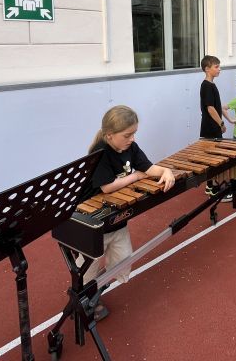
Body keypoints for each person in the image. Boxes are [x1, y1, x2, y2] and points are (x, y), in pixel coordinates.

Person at [80, 105, 176, 320]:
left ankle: (95, 287)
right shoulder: (100, 151)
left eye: (134, 133)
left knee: (122, 264)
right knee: (88, 268)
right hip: (91, 221)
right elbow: (107, 187)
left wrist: (166, 171)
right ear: (109, 135)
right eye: (127, 135)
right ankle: (87, 296)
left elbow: (148, 169)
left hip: (115, 218)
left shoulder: (130, 146)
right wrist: (135, 177)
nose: (132, 139)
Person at [199, 55, 226, 198]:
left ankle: (212, 185)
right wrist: (221, 123)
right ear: (207, 69)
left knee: (214, 158)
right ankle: (212, 187)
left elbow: (216, 107)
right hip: (210, 128)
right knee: (212, 158)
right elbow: (210, 108)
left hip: (212, 127)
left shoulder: (211, 85)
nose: (219, 69)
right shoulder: (206, 86)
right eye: (216, 67)